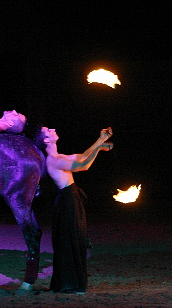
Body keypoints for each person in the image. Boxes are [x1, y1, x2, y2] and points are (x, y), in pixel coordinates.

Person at [33, 125, 113, 294]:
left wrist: (100, 141)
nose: (53, 129)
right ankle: (71, 285)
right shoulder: (53, 161)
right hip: (67, 201)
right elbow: (83, 165)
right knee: (71, 240)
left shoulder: (59, 156)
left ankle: (72, 284)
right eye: (48, 131)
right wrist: (99, 145)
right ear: (46, 140)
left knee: (75, 239)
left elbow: (83, 157)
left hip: (71, 199)